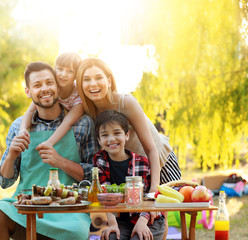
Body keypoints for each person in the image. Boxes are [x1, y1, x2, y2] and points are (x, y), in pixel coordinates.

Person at [0, 61, 98, 240]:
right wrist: (11, 155)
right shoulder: (19, 126)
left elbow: (94, 175)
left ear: (57, 86)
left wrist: (60, 161)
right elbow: (4, 181)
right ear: (28, 91)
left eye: (49, 83)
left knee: (79, 233)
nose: (45, 89)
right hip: (26, 205)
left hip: (68, 207)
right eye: (37, 85)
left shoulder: (81, 123)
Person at [76, 57, 181, 193]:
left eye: (98, 78)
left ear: (108, 81)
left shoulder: (125, 102)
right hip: (134, 170)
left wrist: (154, 187)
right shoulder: (88, 111)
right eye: (87, 79)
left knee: (163, 210)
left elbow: (151, 149)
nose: (93, 84)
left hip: (159, 161)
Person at [93, 110, 165, 240]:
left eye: (117, 133)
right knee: (111, 237)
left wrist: (142, 222)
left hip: (148, 218)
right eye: (105, 135)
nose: (111, 139)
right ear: (99, 140)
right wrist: (112, 224)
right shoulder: (99, 161)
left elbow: (149, 198)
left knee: (140, 237)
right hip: (121, 221)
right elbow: (105, 198)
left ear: (126, 135)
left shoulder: (141, 163)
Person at [20, 52, 85, 151]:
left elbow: (66, 123)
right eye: (60, 69)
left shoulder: (78, 97)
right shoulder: (49, 89)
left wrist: (50, 142)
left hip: (68, 125)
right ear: (54, 69)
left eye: (70, 71)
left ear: (76, 75)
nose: (64, 75)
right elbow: (30, 111)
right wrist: (22, 130)